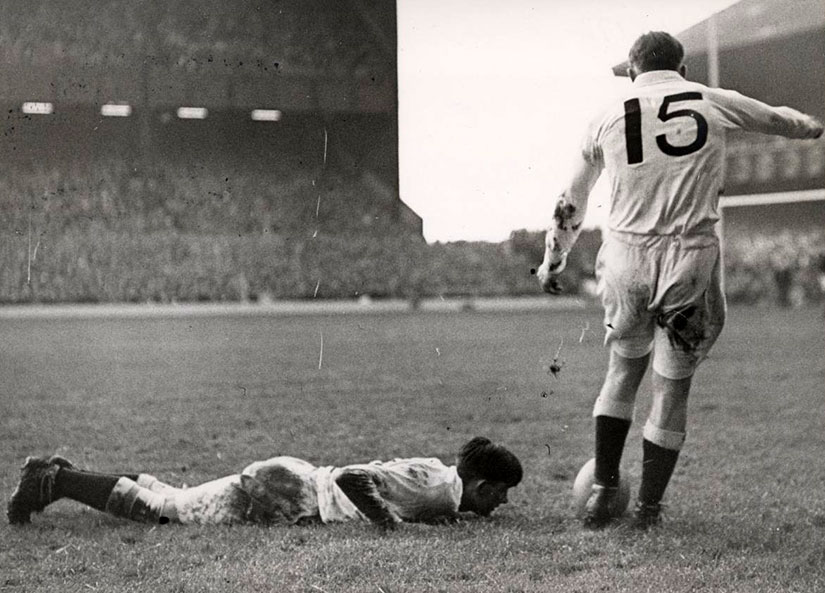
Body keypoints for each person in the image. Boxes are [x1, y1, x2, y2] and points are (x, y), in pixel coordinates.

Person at [537, 31, 823, 529]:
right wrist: (811, 128)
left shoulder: (607, 114)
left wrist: (552, 261)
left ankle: (604, 490)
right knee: (672, 388)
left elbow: (570, 201)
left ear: (631, 72)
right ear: (683, 70)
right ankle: (648, 509)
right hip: (689, 257)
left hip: (626, 258)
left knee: (623, 371)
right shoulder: (711, 99)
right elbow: (778, 119)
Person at [6, 436, 522, 528]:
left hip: (289, 482)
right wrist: (389, 523)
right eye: (501, 494)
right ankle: (57, 482)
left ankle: (63, 474)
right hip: (286, 491)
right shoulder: (435, 487)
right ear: (481, 484)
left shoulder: (442, 486)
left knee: (169, 496)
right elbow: (350, 477)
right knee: (166, 513)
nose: (501, 504)